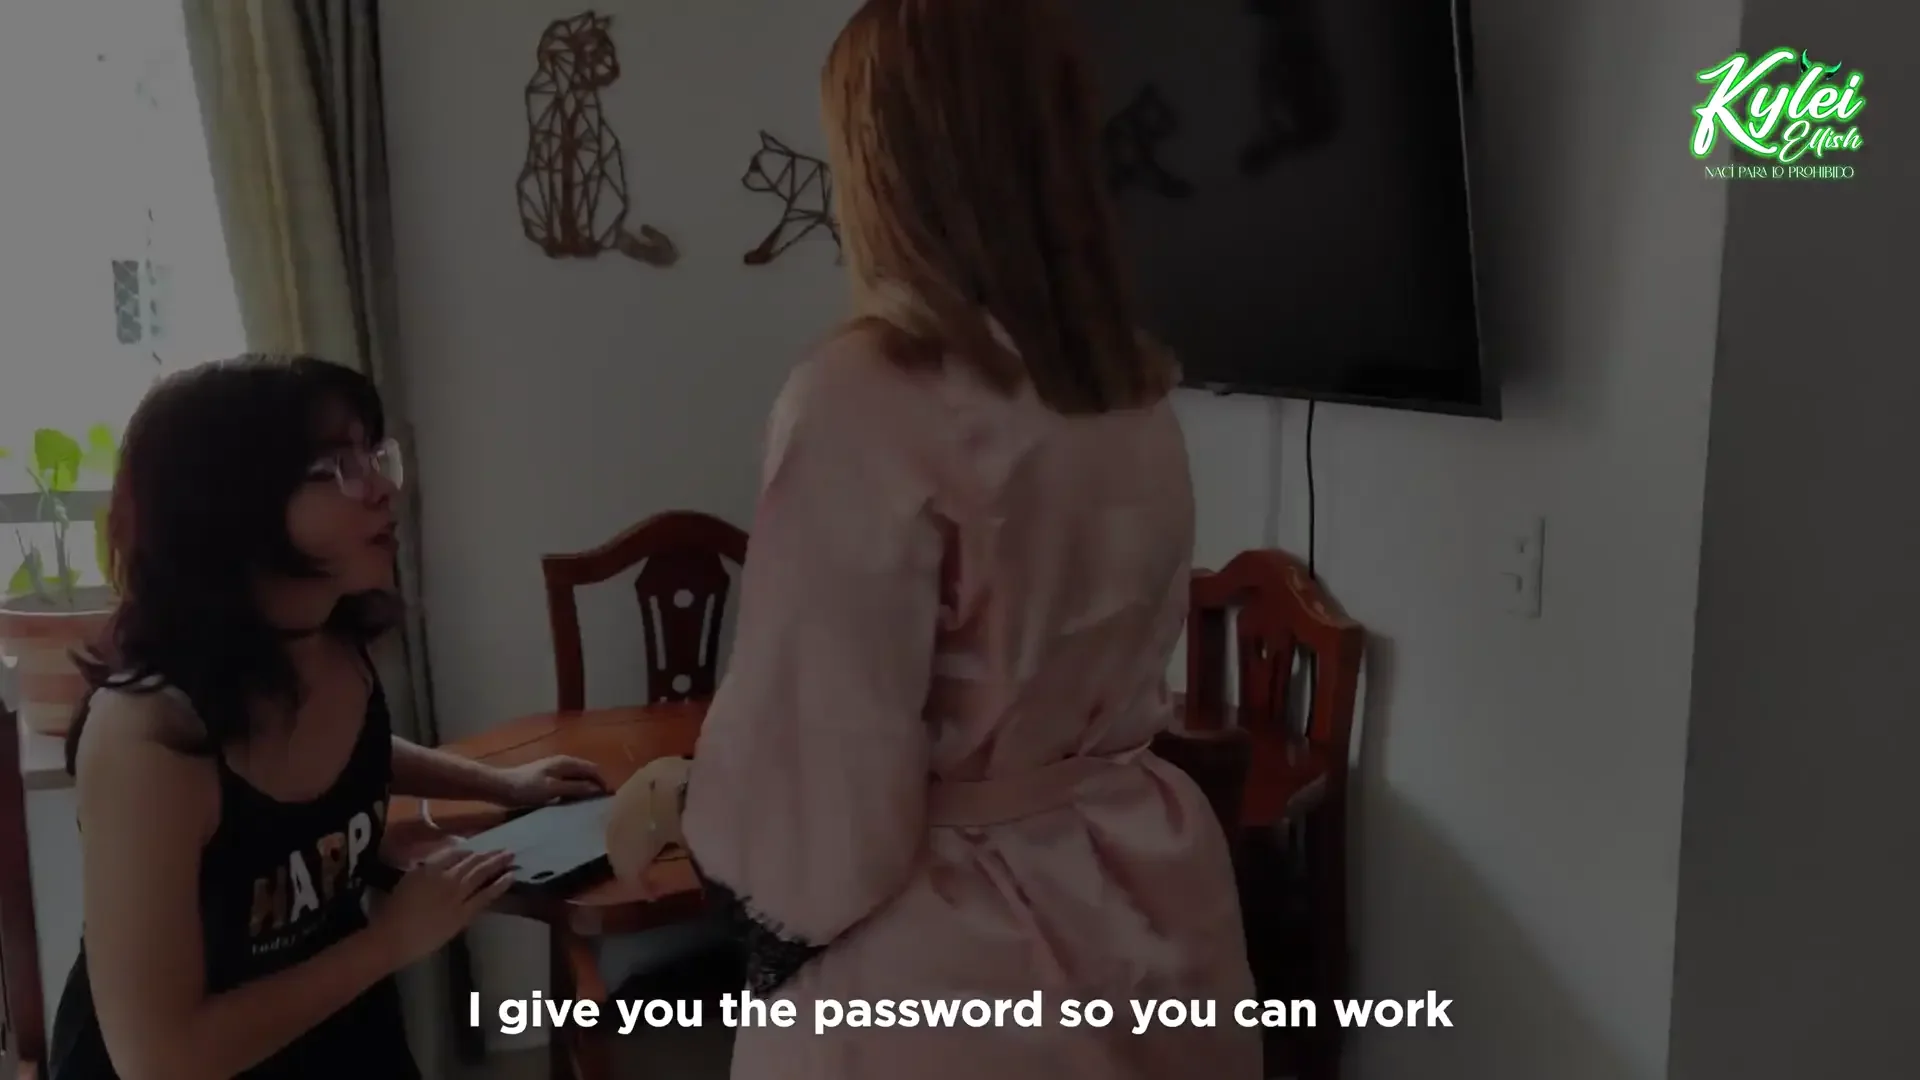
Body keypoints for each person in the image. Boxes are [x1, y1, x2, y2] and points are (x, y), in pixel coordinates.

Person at [603, 1, 1262, 1076]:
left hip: (952, 957)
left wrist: (689, 805)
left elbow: (821, 776)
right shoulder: (1130, 395)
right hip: (1146, 905)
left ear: (884, 166)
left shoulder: (869, 395)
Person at [48, 355, 606, 1080]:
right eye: (336, 467)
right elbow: (159, 1060)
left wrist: (503, 784)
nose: (384, 489)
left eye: (374, 456)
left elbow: (353, 748)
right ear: (230, 507)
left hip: (340, 1028)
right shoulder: (147, 738)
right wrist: (392, 941)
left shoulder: (330, 643)